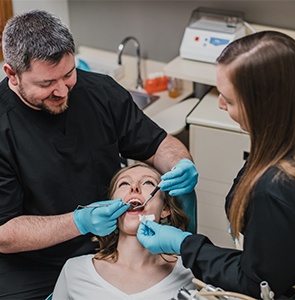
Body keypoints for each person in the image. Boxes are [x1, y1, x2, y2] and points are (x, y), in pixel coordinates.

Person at [0, 10, 198, 299]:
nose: (61, 91)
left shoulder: (100, 93)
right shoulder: (3, 128)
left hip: (107, 245)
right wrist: (79, 222)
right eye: (46, 84)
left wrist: (182, 163)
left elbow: (159, 144)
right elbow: (3, 234)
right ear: (12, 75)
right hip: (31, 265)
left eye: (68, 75)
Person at [137, 31, 295, 299]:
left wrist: (185, 244)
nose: (221, 104)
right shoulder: (280, 135)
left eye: (230, 99)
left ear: (263, 106)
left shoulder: (276, 189)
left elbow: (258, 283)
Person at [52, 162, 196, 299]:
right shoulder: (74, 270)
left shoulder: (190, 273)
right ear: (109, 206)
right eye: (124, 184)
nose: (134, 188)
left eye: (148, 183)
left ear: (165, 209)